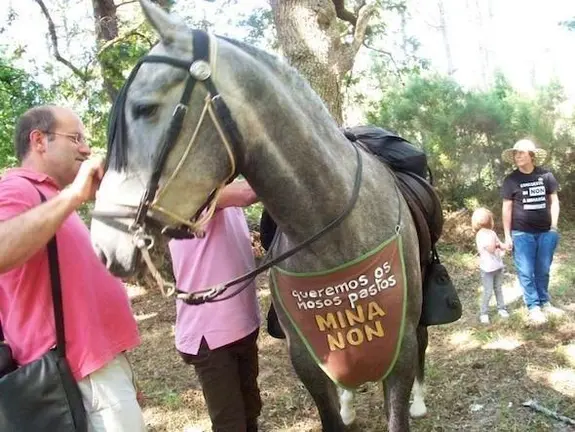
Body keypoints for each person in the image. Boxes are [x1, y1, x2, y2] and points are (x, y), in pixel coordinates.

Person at [0, 105, 146, 430]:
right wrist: (75, 195)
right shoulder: (17, 188)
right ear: (39, 141)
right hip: (76, 375)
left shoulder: (50, 196)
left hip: (95, 370)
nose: (86, 148)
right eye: (76, 138)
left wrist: (121, 374)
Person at [169, 180, 262, 432]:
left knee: (250, 411)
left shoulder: (221, 190)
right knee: (230, 424)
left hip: (241, 324)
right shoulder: (185, 192)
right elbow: (248, 192)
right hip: (210, 336)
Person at [501, 138, 562, 325]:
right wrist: (507, 235)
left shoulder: (546, 176)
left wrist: (553, 227)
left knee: (543, 270)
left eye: (521, 153)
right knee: (526, 271)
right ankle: (533, 306)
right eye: (515, 153)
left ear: (532, 156)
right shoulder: (511, 180)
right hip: (521, 233)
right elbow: (506, 209)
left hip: (546, 232)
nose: (517, 156)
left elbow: (554, 202)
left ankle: (544, 301)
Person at [471, 207, 508, 324]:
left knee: (498, 288)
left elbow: (500, 244)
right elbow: (491, 249)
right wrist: (497, 245)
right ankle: (484, 313)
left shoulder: (492, 233)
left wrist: (506, 246)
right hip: (487, 269)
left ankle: (501, 308)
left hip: (498, 266)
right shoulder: (480, 235)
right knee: (488, 291)